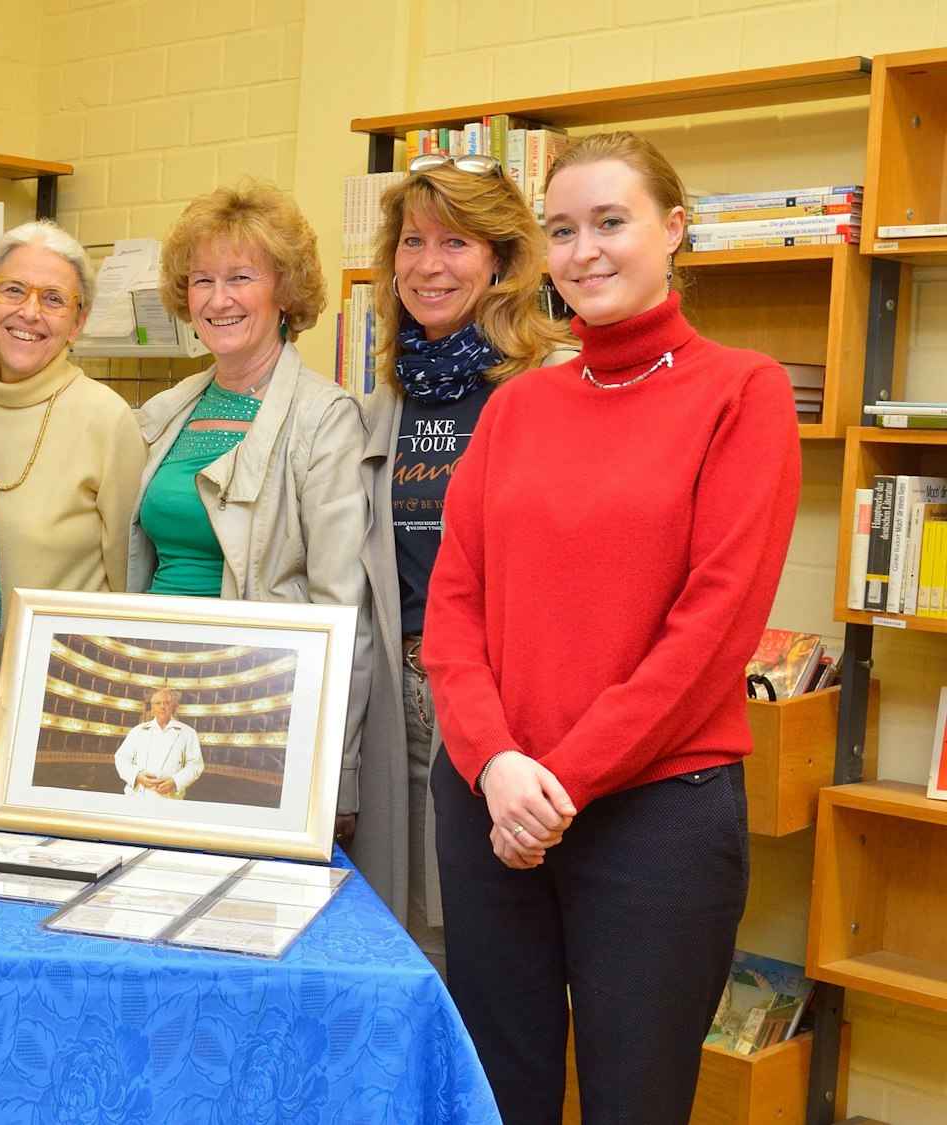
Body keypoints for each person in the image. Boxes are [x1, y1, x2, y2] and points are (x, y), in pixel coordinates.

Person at [423, 131, 801, 1125]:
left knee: (634, 1099)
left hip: (651, 816)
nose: (583, 251)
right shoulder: (517, 408)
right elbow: (451, 607)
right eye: (561, 230)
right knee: (496, 1097)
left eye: (609, 222)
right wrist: (496, 765)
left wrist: (563, 783)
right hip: (487, 804)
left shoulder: (742, 391)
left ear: (672, 230)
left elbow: (713, 628)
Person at [353, 154, 574, 966]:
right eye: (413, 242)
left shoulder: (552, 379)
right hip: (402, 694)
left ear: (503, 259)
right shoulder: (394, 391)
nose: (429, 265)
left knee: (495, 942)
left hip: (500, 700)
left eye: (456, 242)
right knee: (405, 922)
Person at [130, 182, 371, 838]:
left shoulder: (326, 418)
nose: (218, 298)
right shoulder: (169, 409)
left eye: (241, 277)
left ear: (284, 291)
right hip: (153, 691)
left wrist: (337, 770)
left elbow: (344, 609)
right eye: (202, 279)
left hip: (254, 705)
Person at [0, 221, 144, 604]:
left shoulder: (107, 419)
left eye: (53, 299)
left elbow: (128, 581)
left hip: (61, 661)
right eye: (14, 290)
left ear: (77, 323)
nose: (30, 312)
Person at [112, 689, 204, 799]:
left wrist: (175, 781)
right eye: (158, 703)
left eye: (166, 703)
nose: (162, 706)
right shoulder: (137, 731)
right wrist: (137, 776)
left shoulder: (188, 733)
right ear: (152, 707)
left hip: (170, 799)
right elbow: (121, 759)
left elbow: (195, 765)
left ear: (172, 706)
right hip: (137, 796)